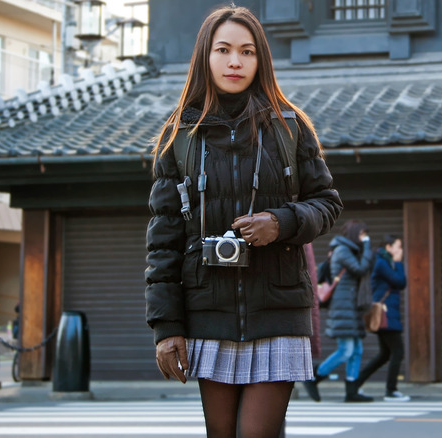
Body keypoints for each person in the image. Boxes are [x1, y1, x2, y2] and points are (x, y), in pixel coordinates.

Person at [145, 6, 343, 438]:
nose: (235, 61)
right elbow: (163, 243)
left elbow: (327, 203)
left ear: (260, 60)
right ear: (205, 56)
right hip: (208, 313)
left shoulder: (290, 128)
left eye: (247, 51)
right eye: (224, 49)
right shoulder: (180, 136)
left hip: (278, 310)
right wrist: (167, 328)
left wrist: (282, 221)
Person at [303, 219, 375, 402]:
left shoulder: (346, 250)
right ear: (354, 234)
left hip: (350, 306)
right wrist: (367, 246)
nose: (364, 238)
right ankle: (315, 377)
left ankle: (352, 391)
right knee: (346, 350)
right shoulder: (342, 251)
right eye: (362, 234)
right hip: (343, 307)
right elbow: (361, 269)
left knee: (356, 350)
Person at [353, 234, 410, 402]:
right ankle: (391, 391)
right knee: (397, 352)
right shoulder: (382, 263)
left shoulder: (385, 262)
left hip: (389, 314)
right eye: (398, 246)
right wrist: (399, 263)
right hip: (385, 315)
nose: (401, 250)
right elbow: (400, 282)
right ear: (388, 247)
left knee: (385, 354)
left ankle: (355, 383)